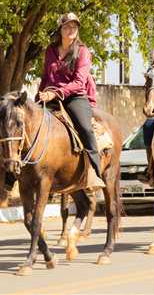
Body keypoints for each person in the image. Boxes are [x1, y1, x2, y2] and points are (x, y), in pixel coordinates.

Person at [36, 13, 102, 180]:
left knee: (85, 129)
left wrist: (55, 93)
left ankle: (95, 171)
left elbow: (79, 82)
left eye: (74, 26)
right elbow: (45, 75)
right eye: (66, 26)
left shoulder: (83, 51)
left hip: (75, 97)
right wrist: (40, 94)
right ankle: (14, 173)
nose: (70, 29)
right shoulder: (50, 50)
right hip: (50, 97)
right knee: (27, 122)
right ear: (60, 30)